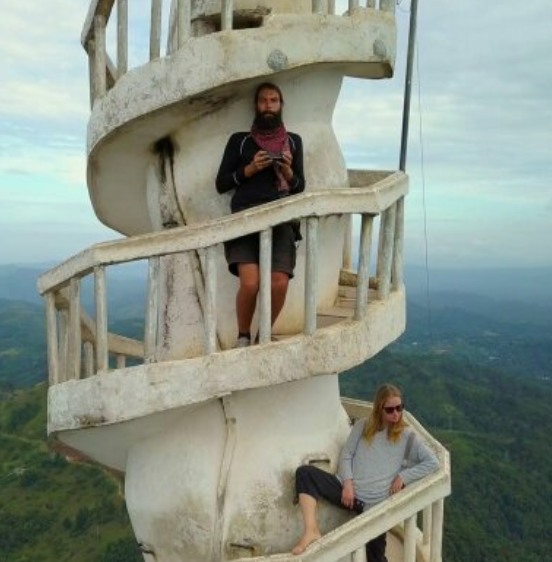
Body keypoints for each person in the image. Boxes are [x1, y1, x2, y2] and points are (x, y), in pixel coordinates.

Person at [291, 384, 440, 558]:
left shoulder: (407, 437)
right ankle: (311, 531)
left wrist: (403, 476)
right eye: (390, 410)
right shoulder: (362, 426)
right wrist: (347, 484)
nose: (396, 414)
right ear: (379, 409)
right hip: (347, 493)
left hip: (374, 507)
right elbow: (347, 454)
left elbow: (432, 462)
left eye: (399, 408)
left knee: (375, 557)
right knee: (305, 474)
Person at [215, 82, 306, 348]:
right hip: (245, 217)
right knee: (251, 282)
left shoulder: (293, 141)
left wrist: (288, 170)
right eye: (263, 101)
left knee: (279, 281)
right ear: (256, 105)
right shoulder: (240, 140)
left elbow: (300, 187)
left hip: (282, 217)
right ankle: (243, 335)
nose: (268, 106)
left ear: (281, 105)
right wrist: (251, 169)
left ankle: (262, 334)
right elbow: (221, 183)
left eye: (274, 100)